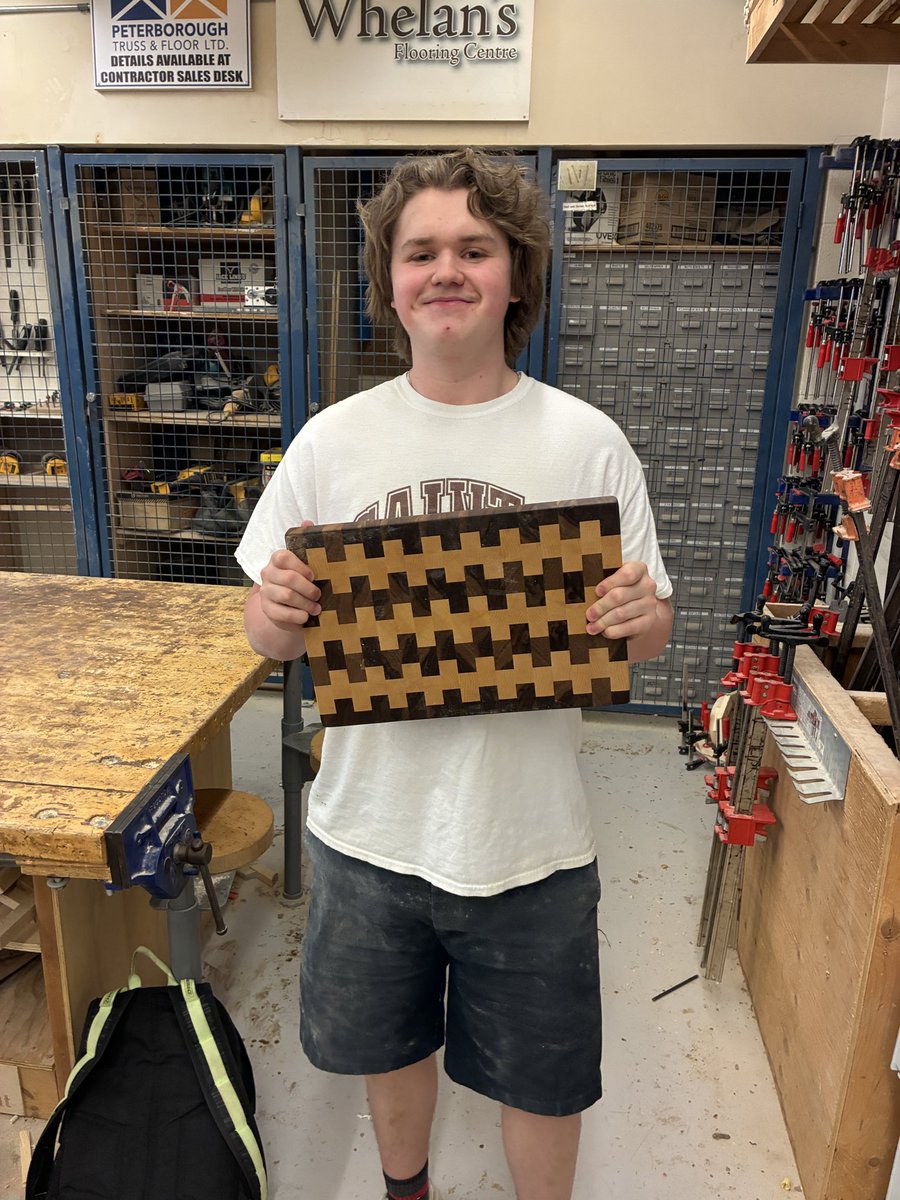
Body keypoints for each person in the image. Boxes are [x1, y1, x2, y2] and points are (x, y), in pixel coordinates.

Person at [235, 148, 674, 1200]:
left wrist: (640, 617)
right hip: (368, 834)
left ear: (517, 274)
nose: (446, 270)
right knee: (389, 1048)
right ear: (389, 279)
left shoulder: (588, 445)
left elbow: (646, 627)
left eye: (474, 249)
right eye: (420, 250)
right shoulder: (333, 443)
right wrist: (280, 613)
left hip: (531, 842)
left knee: (547, 1079)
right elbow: (263, 629)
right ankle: (406, 1190)